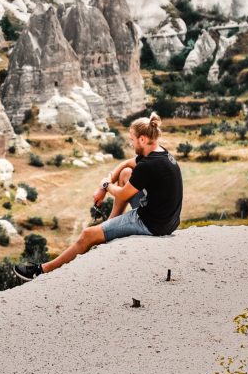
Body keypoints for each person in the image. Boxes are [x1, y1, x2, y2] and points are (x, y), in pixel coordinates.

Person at [15, 112, 183, 280]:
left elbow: (123, 194)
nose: (131, 144)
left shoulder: (148, 166)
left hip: (152, 224)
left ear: (143, 139)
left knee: (88, 234)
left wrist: (106, 185)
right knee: (125, 174)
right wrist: (104, 187)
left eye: (132, 140)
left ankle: (41, 271)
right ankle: (110, 225)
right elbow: (126, 164)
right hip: (169, 220)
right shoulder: (160, 153)